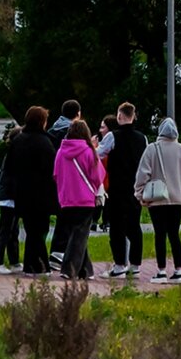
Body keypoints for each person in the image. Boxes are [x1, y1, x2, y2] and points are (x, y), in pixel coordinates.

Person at [134, 118, 181, 284]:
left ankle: (161, 271)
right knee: (174, 234)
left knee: (160, 234)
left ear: (160, 132)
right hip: (178, 200)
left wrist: (140, 194)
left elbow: (142, 174)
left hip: (157, 199)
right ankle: (179, 271)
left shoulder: (152, 149)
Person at [4, 106, 57, 277]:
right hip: (41, 194)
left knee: (30, 228)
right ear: (42, 122)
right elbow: (51, 170)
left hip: (21, 193)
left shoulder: (18, 141)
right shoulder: (45, 142)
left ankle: (30, 264)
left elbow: (9, 167)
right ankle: (40, 265)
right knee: (39, 230)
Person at [53, 119, 106, 280]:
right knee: (79, 234)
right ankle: (69, 269)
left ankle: (85, 270)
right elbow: (98, 176)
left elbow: (55, 175)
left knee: (75, 233)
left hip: (66, 199)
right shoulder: (89, 152)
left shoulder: (61, 152)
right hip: (85, 199)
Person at [101, 102, 148, 279]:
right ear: (133, 116)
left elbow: (100, 153)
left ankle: (119, 265)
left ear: (119, 116)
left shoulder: (113, 136)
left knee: (117, 227)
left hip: (117, 187)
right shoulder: (142, 138)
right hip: (136, 187)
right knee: (134, 226)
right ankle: (135, 265)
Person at [47, 99, 82, 269]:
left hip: (51, 179)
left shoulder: (52, 131)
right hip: (67, 181)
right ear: (78, 113)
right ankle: (60, 252)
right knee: (68, 218)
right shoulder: (71, 133)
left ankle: (54, 252)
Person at [0, 125, 22, 274]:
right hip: (10, 196)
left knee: (12, 230)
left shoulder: (10, 153)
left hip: (9, 195)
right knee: (5, 230)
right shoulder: (15, 155)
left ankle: (14, 261)